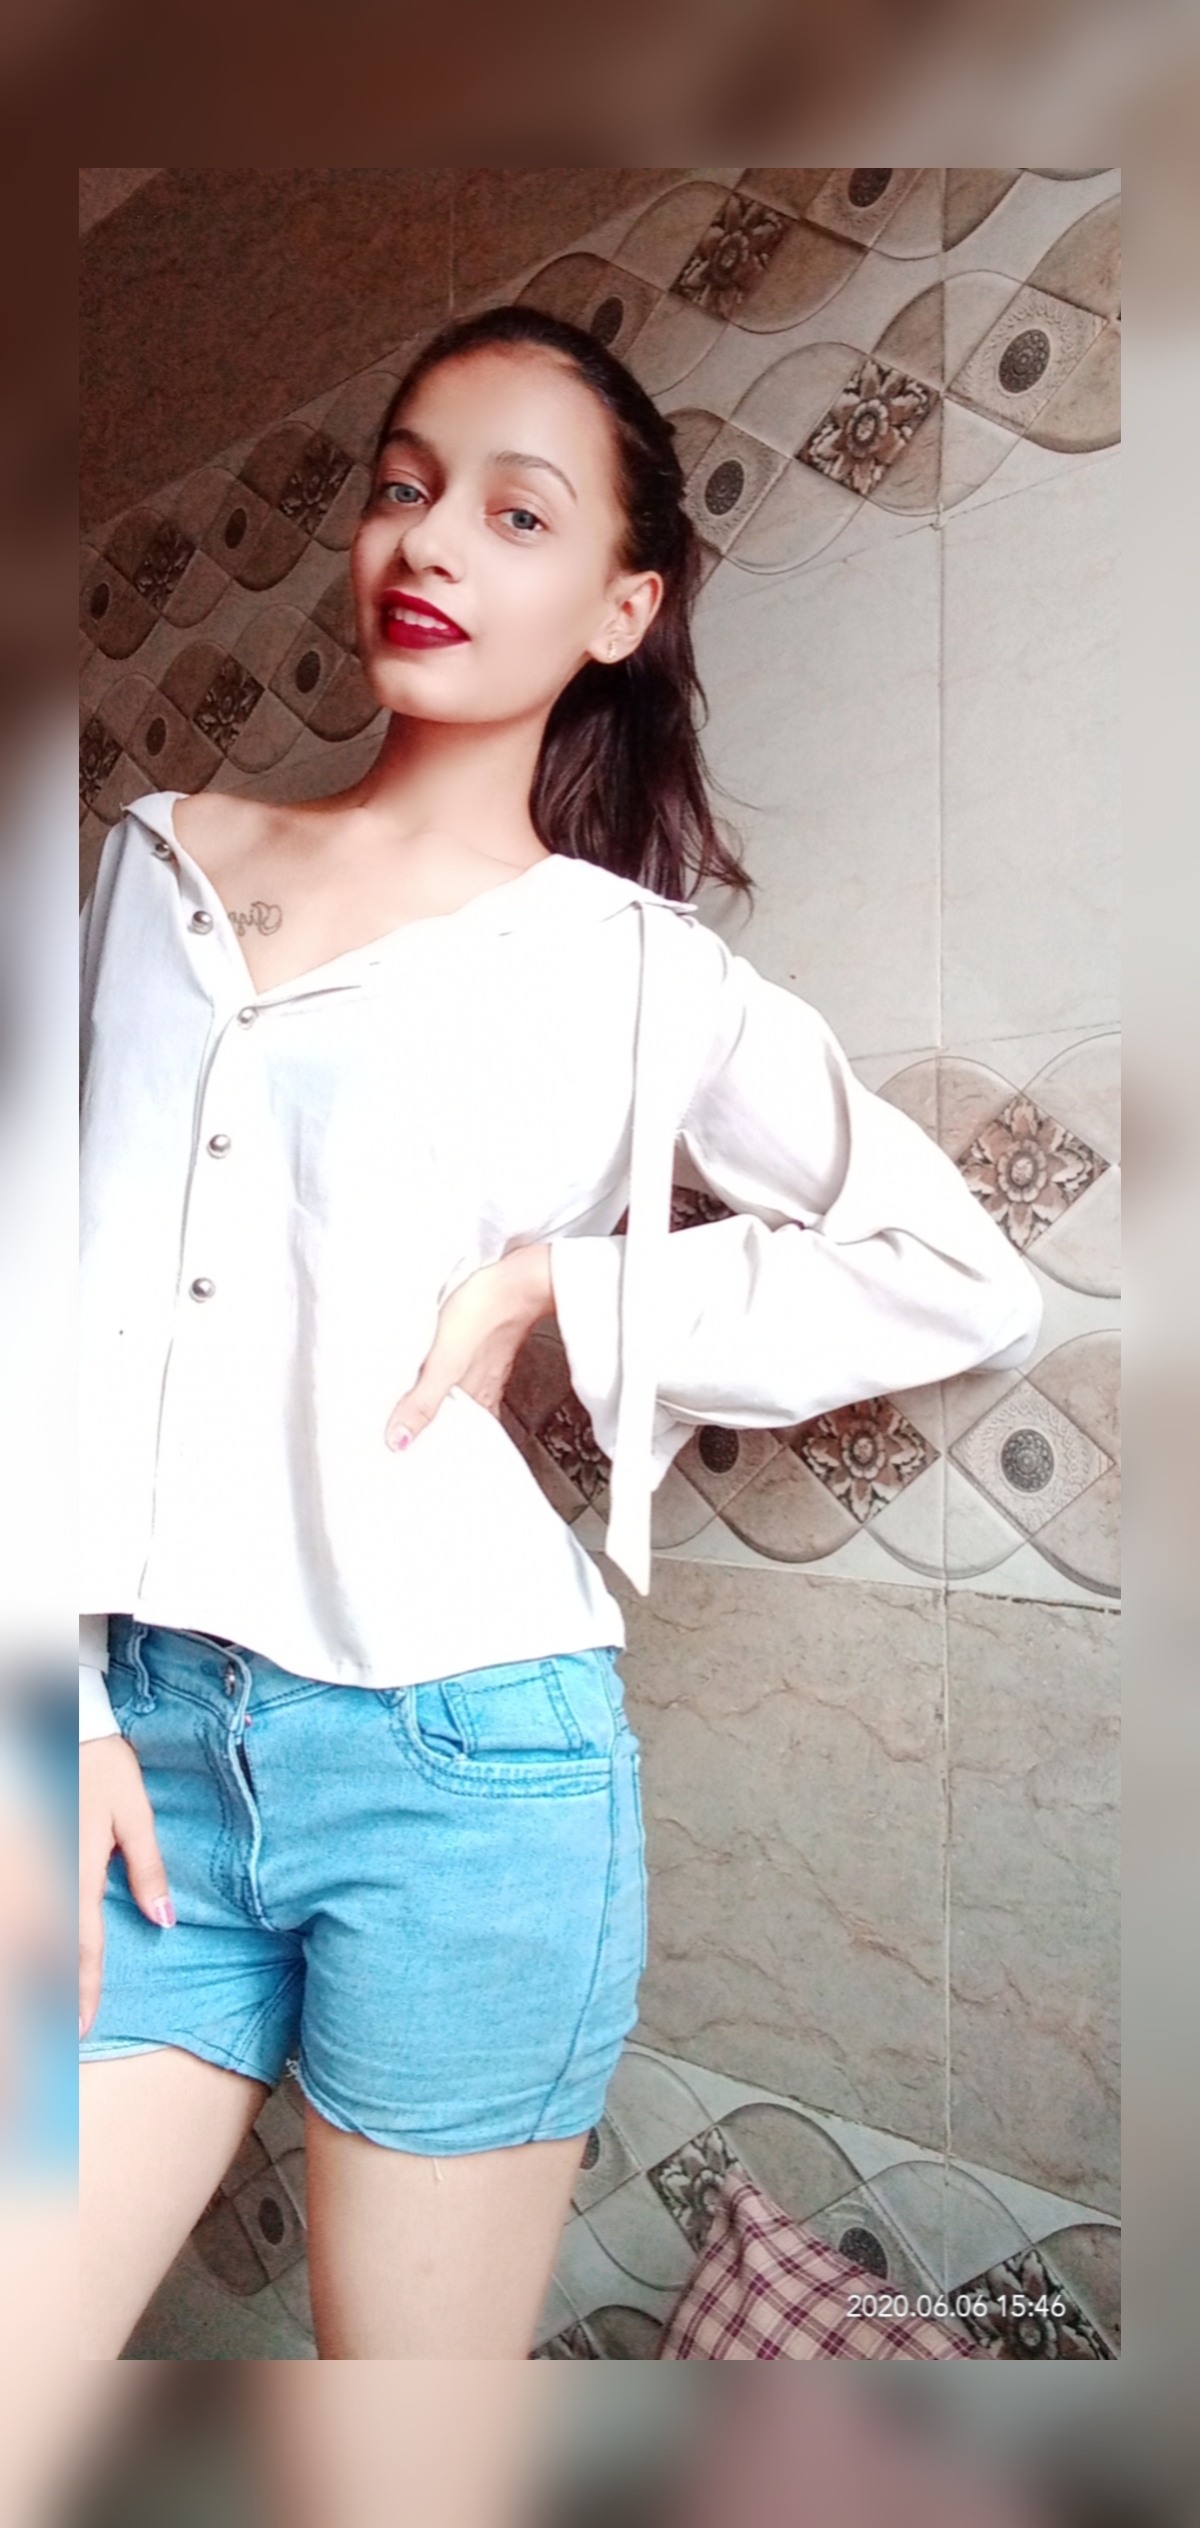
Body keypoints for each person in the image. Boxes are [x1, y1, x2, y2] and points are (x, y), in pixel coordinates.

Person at [78, 305, 1041, 2361]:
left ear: (623, 606)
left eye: (517, 513)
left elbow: (957, 1267)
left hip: (468, 1768)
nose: (431, 540)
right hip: (124, 1740)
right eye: (404, 487)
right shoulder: (155, 864)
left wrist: (564, 1290)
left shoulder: (635, 970)